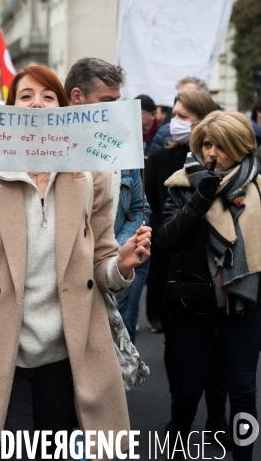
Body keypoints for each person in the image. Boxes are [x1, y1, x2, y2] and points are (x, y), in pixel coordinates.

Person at [0, 65, 152, 461]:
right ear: (10, 110)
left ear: (63, 108)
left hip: (72, 357)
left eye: (47, 96)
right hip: (1, 359)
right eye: (25, 97)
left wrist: (123, 265)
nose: (36, 105)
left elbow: (103, 269)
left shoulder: (92, 177)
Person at [158, 110, 261, 461]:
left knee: (245, 393)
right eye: (206, 144)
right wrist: (200, 200)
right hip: (194, 303)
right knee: (188, 391)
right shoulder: (182, 183)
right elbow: (168, 241)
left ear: (240, 148)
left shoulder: (258, 186)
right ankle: (172, 451)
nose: (210, 152)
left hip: (244, 304)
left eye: (220, 145)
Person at [145, 92, 231, 448]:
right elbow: (161, 222)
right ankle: (177, 434)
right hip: (179, 278)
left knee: (222, 371)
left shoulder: (242, 180)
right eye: (173, 114)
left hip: (227, 290)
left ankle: (216, 422)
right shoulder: (169, 167)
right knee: (187, 375)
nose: (173, 121)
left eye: (183, 115)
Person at [64, 57, 151, 343]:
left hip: (112, 271)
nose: (117, 110)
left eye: (118, 101)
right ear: (77, 97)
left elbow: (140, 209)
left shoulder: (121, 148)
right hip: (62, 277)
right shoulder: (50, 149)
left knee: (112, 356)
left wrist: (117, 251)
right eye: (107, 101)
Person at [147, 76, 209, 155]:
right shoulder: (163, 133)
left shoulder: (220, 131)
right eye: (179, 96)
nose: (181, 100)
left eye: (189, 96)